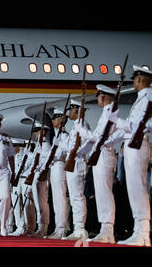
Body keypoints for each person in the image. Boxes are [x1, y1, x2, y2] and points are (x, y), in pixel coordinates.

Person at [107, 65, 152, 246]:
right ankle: (138, 231)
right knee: (134, 189)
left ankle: (143, 233)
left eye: (135, 79)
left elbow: (138, 125)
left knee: (139, 189)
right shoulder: (141, 98)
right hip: (132, 145)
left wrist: (117, 121)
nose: (133, 82)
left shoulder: (149, 97)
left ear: (140, 79)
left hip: (138, 144)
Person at [75, 84, 118, 243]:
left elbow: (98, 138)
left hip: (105, 154)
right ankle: (104, 230)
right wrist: (81, 151)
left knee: (105, 193)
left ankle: (108, 230)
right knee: (101, 193)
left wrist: (82, 131)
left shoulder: (110, 113)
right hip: (100, 155)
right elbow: (96, 139)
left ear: (103, 96)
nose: (98, 98)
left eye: (99, 95)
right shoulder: (106, 113)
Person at [59, 99, 89, 240]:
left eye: (71, 110)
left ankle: (80, 229)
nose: (69, 113)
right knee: (74, 197)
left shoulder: (82, 125)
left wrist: (73, 151)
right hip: (72, 163)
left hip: (77, 162)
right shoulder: (75, 127)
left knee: (77, 197)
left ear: (76, 110)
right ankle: (77, 227)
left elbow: (83, 145)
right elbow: (67, 146)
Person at [46, 109, 69, 239]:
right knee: (55, 199)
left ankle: (62, 228)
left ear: (61, 119)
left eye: (55, 117)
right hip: (54, 167)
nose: (53, 120)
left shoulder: (64, 136)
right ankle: (57, 227)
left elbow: (61, 154)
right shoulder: (57, 135)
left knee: (60, 198)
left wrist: (52, 155)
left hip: (59, 165)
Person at [29, 122, 51, 238]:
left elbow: (48, 161)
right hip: (36, 175)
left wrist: (41, 171)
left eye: (38, 131)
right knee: (38, 202)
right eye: (36, 131)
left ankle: (43, 227)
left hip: (42, 175)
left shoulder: (46, 144)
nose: (36, 133)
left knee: (42, 201)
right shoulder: (39, 144)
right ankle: (40, 226)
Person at [113, 143, 133, 240]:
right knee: (116, 209)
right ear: (121, 148)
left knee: (124, 210)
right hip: (116, 187)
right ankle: (117, 230)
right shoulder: (114, 158)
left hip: (125, 187)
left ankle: (124, 230)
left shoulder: (129, 160)